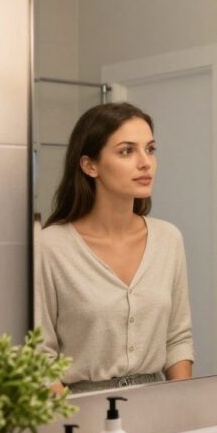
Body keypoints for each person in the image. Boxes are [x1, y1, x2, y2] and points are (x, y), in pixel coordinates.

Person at [35, 102, 194, 393]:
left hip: (158, 410)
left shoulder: (168, 239)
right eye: (127, 151)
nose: (145, 162)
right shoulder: (50, 247)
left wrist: (179, 405)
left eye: (150, 149)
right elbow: (39, 358)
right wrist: (72, 424)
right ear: (89, 165)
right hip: (80, 416)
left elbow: (177, 340)